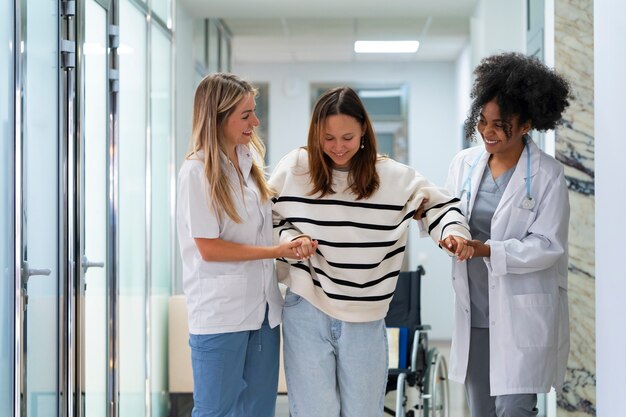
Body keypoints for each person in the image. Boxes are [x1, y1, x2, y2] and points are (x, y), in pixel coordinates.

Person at [269, 86, 473, 417]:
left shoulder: (391, 177)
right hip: (307, 308)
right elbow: (268, 218)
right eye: (328, 138)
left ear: (364, 129)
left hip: (365, 315)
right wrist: (292, 239)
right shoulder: (296, 168)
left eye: (347, 137)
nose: (337, 147)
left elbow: (440, 205)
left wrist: (452, 233)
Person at [445, 52, 571, 417]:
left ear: (527, 123)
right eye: (483, 121)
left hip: (520, 313)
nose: (488, 132)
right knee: (482, 411)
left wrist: (487, 250)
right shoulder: (464, 164)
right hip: (475, 313)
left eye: (501, 124)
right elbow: (446, 213)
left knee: (515, 410)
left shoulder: (547, 175)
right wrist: (448, 234)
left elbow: (548, 246)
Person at [176, 73, 306, 417]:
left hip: (264, 313)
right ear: (218, 118)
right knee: (215, 411)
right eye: (245, 114)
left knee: (258, 410)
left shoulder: (248, 165)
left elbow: (264, 227)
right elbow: (209, 248)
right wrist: (276, 253)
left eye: (254, 111)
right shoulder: (197, 171)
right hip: (221, 316)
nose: (255, 121)